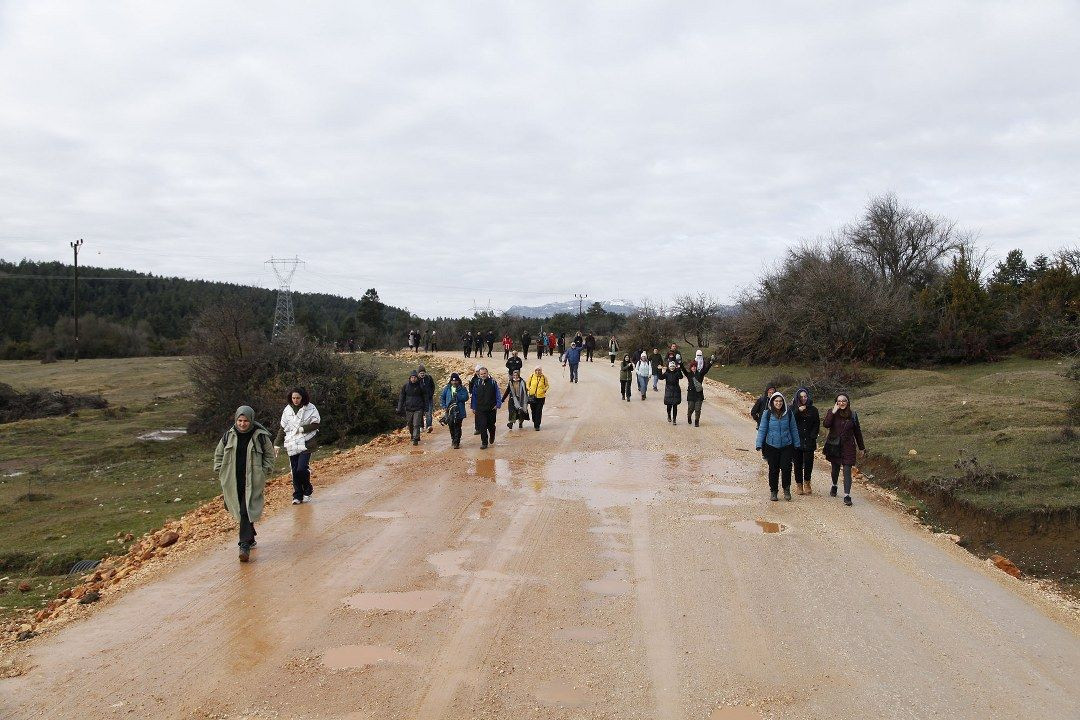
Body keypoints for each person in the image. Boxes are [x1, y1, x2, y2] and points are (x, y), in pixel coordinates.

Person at [214, 406, 275, 562]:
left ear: (251, 420)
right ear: (236, 420)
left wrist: (264, 470)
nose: (242, 424)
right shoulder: (228, 436)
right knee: (241, 509)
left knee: (245, 510)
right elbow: (219, 454)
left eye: (246, 421)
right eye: (240, 421)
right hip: (233, 480)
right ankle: (250, 536)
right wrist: (220, 470)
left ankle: (244, 545)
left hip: (253, 480)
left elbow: (269, 455)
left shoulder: (260, 436)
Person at [274, 387, 321, 505]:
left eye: (298, 398)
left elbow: (315, 424)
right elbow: (283, 428)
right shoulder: (287, 410)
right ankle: (297, 495)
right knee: (294, 470)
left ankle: (308, 489)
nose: (295, 400)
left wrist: (302, 429)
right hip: (292, 443)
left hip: (306, 443)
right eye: (293, 398)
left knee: (301, 468)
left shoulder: (311, 408)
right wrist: (276, 444)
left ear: (302, 397)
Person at [755, 392, 801, 501]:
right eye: (776, 401)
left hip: (786, 445)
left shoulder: (788, 413)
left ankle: (786, 489)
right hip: (771, 445)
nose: (778, 403)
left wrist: (797, 443)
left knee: (786, 468)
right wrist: (759, 443)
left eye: (780, 401)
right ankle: (774, 491)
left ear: (783, 402)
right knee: (773, 469)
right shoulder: (767, 414)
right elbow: (762, 429)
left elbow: (793, 429)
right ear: (772, 402)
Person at [823, 393, 866, 506]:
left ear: (848, 402)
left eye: (844, 401)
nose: (841, 403)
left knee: (847, 470)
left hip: (848, 446)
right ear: (836, 402)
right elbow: (826, 424)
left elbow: (857, 432)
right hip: (834, 445)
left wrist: (861, 447)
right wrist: (833, 411)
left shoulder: (853, 415)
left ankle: (847, 495)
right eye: (839, 401)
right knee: (835, 468)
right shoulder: (831, 412)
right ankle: (834, 485)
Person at [791, 387, 820, 495]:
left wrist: (813, 436)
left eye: (805, 396)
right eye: (801, 397)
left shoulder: (813, 409)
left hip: (809, 440)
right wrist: (798, 410)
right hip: (797, 440)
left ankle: (807, 482)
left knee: (808, 463)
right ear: (797, 398)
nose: (803, 398)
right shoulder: (793, 408)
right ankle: (799, 484)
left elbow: (817, 423)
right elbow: (791, 420)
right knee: (797, 464)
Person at [470, 366, 502, 449]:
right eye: (481, 374)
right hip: (480, 409)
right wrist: (473, 407)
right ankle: (484, 442)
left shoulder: (493, 382)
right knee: (482, 426)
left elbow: (497, 393)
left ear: (487, 373)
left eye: (484, 373)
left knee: (491, 425)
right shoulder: (477, 383)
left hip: (491, 408)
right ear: (479, 375)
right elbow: (474, 396)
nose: (483, 375)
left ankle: (492, 435)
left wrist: (498, 404)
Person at [682, 353, 715, 427]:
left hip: (699, 395)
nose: (693, 368)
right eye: (692, 367)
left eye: (695, 366)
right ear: (690, 368)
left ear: (696, 367)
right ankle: (689, 416)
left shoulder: (700, 374)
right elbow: (683, 369)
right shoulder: (689, 374)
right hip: (690, 394)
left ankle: (697, 421)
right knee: (691, 408)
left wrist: (711, 362)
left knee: (698, 409)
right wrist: (680, 363)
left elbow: (706, 369)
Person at [439, 373, 469, 449]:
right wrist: (444, 406)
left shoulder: (462, 388)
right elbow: (442, 397)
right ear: (450, 381)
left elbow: (466, 397)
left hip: (459, 410)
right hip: (449, 411)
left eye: (456, 381)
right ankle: (453, 439)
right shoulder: (447, 388)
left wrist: (457, 396)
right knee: (451, 425)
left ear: (458, 381)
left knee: (458, 426)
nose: (454, 382)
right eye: (452, 381)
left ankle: (457, 442)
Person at [398, 371, 427, 446]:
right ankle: (413, 435)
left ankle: (415, 438)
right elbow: (401, 398)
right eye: (412, 377)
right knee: (410, 424)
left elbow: (425, 397)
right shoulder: (405, 386)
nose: (413, 379)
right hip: (408, 408)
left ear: (417, 378)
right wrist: (399, 408)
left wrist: (425, 407)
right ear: (410, 378)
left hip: (418, 408)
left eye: (415, 377)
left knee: (416, 424)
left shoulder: (420, 386)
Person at [526, 366, 549, 430]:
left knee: (539, 411)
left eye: (539, 370)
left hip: (541, 397)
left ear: (541, 371)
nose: (538, 371)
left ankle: (537, 425)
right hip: (532, 396)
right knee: (533, 410)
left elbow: (547, 385)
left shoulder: (544, 377)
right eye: (536, 370)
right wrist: (529, 389)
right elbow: (527, 384)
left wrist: (544, 390)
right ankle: (534, 420)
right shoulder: (532, 376)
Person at [417, 364, 436, 433]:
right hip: (420, 400)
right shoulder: (416, 379)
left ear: (425, 373)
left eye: (423, 373)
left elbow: (433, 386)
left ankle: (429, 426)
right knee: (420, 413)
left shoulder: (429, 378)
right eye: (421, 373)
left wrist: (431, 394)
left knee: (429, 412)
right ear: (418, 373)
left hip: (429, 398)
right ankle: (421, 426)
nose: (422, 374)